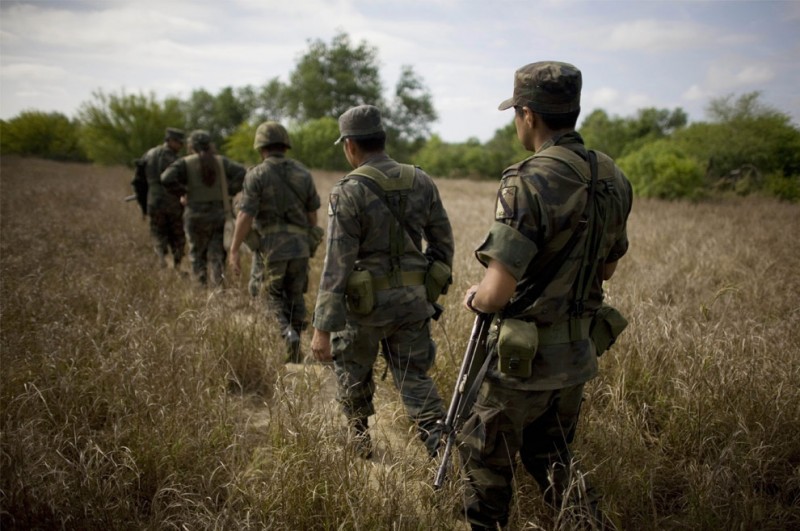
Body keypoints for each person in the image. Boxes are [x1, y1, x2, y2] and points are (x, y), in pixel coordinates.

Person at [458, 61, 633, 530]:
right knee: (553, 456)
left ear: (529, 115)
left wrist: (476, 294)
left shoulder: (527, 180)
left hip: (521, 361)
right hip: (576, 354)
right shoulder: (612, 176)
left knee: (485, 465)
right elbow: (608, 266)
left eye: (516, 111)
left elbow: (496, 294)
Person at [311, 104, 455, 460]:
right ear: (382, 139)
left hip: (363, 309)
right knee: (415, 379)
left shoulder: (347, 190)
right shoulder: (421, 180)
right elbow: (444, 244)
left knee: (353, 374)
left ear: (350, 146)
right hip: (411, 303)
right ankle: (443, 452)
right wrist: (424, 288)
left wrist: (321, 328)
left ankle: (360, 443)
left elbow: (337, 263)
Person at [228, 121, 321, 362]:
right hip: (300, 247)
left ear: (261, 148)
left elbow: (245, 215)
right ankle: (297, 345)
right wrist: (307, 241)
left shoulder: (256, 174)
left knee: (267, 295)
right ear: (285, 146)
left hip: (271, 247)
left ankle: (286, 334)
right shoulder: (303, 173)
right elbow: (313, 216)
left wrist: (235, 248)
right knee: (295, 295)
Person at [161, 130, 246, 287]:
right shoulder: (221, 161)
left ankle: (201, 287)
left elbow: (166, 178)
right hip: (219, 215)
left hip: (195, 215)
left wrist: (183, 192)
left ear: (191, 146)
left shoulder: (185, 163)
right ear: (210, 145)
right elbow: (243, 173)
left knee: (196, 254)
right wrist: (227, 191)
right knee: (217, 254)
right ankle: (218, 288)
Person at [141, 127, 186, 269]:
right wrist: (184, 193)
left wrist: (143, 201)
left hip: (153, 201)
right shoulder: (174, 159)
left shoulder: (149, 154)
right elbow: (180, 180)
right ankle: (175, 264)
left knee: (158, 232)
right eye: (179, 142)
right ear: (170, 141)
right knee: (177, 234)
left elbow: (138, 179)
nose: (181, 146)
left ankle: (163, 260)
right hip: (172, 202)